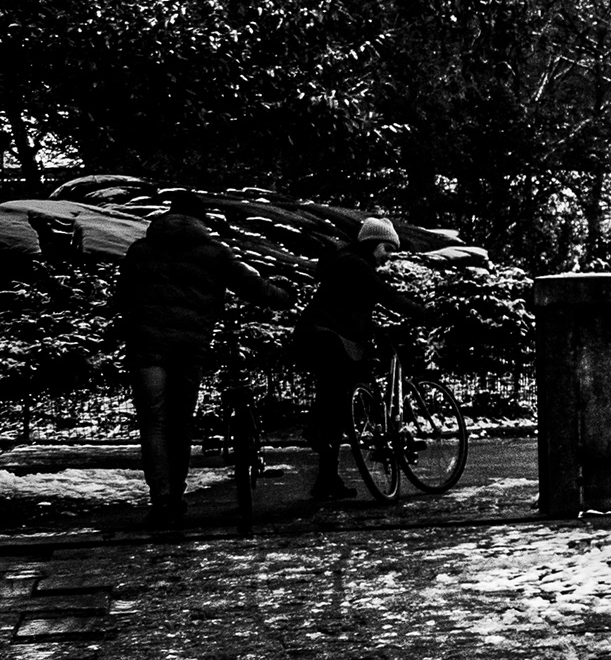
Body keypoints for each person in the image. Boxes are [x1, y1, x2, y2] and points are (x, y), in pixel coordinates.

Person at [112, 191, 274, 531]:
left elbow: (122, 298)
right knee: (180, 420)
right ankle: (178, 492)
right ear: (201, 221)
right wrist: (284, 296)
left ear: (168, 217)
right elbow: (252, 286)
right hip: (189, 349)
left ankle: (162, 500)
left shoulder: (139, 251)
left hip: (146, 348)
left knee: (153, 422)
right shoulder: (214, 253)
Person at [295, 219, 399, 500]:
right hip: (328, 339)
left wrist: (376, 331)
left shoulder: (346, 264)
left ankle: (327, 479)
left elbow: (350, 310)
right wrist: (423, 312)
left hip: (321, 337)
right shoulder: (356, 265)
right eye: (387, 248)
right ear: (372, 244)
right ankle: (317, 431)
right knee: (338, 399)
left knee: (336, 402)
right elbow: (385, 295)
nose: (389, 255)